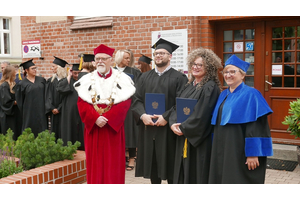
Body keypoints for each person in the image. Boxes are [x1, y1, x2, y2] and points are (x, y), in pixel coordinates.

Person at [74, 44, 135, 184]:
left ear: (111, 60)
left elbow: (124, 103)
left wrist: (106, 118)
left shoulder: (123, 79)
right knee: (94, 163)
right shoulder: (86, 79)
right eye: (97, 59)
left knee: (113, 163)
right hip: (94, 127)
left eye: (103, 58)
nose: (100, 61)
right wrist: (95, 118)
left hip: (112, 128)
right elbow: (81, 102)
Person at [209, 54, 273, 184]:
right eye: (226, 72)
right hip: (223, 148)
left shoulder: (251, 94)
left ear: (243, 75)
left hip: (240, 149)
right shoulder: (223, 94)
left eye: (233, 71)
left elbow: (257, 126)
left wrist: (253, 153)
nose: (228, 75)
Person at [132, 38, 188, 184]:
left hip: (168, 129)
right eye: (156, 53)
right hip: (148, 128)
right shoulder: (144, 77)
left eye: (162, 53)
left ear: (170, 56)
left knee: (170, 167)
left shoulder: (179, 78)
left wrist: (167, 117)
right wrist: (143, 115)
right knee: (153, 166)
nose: (158, 56)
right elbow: (136, 99)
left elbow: (181, 102)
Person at [169, 47, 222, 184]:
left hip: (198, 141)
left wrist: (184, 128)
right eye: (194, 64)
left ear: (209, 68)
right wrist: (173, 123)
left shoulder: (209, 87)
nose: (195, 67)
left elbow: (202, 115)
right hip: (183, 134)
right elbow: (177, 106)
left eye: (200, 65)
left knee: (196, 174)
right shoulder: (189, 85)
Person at [114, 49, 142, 171]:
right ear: (119, 58)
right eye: (126, 58)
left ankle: (131, 157)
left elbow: (138, 89)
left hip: (129, 105)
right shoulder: (112, 71)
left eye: (129, 58)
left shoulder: (134, 72)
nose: (128, 60)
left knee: (130, 131)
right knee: (117, 131)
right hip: (115, 105)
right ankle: (119, 158)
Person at [15, 59, 47, 136]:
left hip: (41, 110)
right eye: (33, 68)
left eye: (35, 68)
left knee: (42, 128)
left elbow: (46, 94)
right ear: (26, 70)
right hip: (29, 112)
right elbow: (20, 100)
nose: (35, 70)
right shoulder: (22, 84)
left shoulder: (41, 80)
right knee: (29, 130)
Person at [57, 63, 84, 148]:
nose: (76, 75)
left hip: (81, 110)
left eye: (79, 73)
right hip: (70, 111)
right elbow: (60, 89)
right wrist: (69, 76)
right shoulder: (68, 81)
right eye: (75, 73)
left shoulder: (84, 81)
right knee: (70, 129)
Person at [45, 56, 68, 140]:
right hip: (53, 111)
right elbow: (47, 96)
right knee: (54, 132)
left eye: (53, 66)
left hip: (63, 111)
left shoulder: (66, 81)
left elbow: (67, 98)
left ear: (59, 68)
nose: (52, 69)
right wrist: (52, 108)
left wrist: (59, 108)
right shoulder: (50, 81)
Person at [0, 65, 22, 139]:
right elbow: (6, 102)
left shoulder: (13, 84)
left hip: (15, 114)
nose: (16, 73)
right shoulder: (4, 86)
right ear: (10, 73)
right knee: (10, 136)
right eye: (14, 71)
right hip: (8, 116)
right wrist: (17, 101)